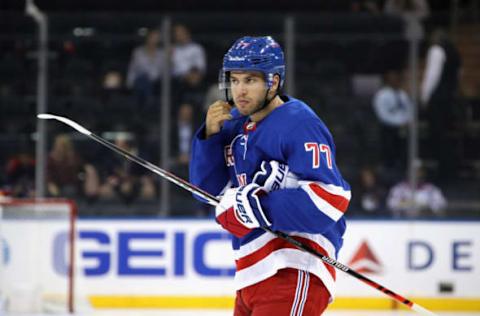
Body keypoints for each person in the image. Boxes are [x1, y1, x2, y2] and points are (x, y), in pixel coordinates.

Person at [189, 36, 351, 316]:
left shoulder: (299, 123)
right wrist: (209, 139)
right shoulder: (234, 125)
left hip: (295, 266)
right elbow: (207, 194)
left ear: (273, 82)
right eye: (235, 80)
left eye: (250, 80)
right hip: (252, 273)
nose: (240, 90)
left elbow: (330, 199)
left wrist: (259, 207)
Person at [420, 28, 461, 182]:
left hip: (438, 99)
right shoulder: (454, 53)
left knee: (438, 136)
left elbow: (432, 75)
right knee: (446, 136)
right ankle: (449, 170)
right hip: (449, 99)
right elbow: (457, 75)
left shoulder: (436, 51)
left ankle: (443, 173)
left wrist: (424, 96)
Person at [372, 69, 412, 173]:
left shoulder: (402, 94)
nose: (395, 81)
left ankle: (403, 167)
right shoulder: (382, 95)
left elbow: (409, 110)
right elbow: (383, 115)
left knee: (405, 149)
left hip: (403, 128)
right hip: (388, 128)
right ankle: (389, 167)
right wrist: (399, 123)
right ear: (388, 80)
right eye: (392, 79)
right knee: (389, 149)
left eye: (397, 78)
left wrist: (406, 121)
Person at [126, 28, 164, 108]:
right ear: (148, 38)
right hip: (140, 80)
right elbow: (133, 68)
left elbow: (163, 70)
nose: (154, 40)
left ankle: (146, 104)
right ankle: (145, 104)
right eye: (152, 38)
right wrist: (130, 82)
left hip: (156, 82)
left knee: (146, 81)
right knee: (142, 80)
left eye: (156, 38)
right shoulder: (138, 52)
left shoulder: (162, 54)